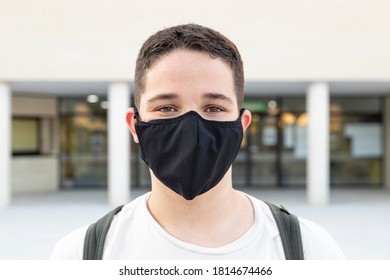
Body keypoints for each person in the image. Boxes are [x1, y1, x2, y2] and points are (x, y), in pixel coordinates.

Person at [50, 23, 344, 260]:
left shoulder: (307, 249)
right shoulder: (83, 254)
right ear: (135, 125)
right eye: (166, 107)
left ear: (241, 127)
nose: (192, 128)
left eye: (214, 108)